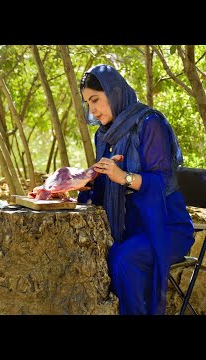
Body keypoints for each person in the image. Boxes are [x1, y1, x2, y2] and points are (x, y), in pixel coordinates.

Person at [78, 64, 194, 315]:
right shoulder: (104, 135)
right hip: (127, 229)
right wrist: (88, 183)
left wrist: (124, 177)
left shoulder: (149, 123)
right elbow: (105, 188)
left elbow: (161, 182)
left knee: (122, 259)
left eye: (95, 100)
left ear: (115, 92)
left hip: (166, 227)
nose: (93, 110)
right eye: (88, 103)